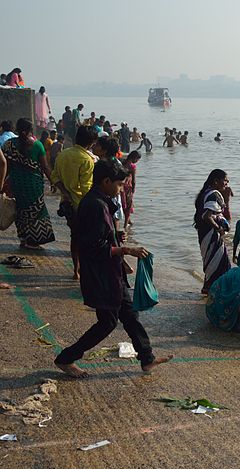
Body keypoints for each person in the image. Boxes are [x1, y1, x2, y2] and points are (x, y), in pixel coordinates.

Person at [53, 160, 172, 377]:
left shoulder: (102, 201)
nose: (121, 189)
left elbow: (102, 236)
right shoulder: (95, 205)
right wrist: (125, 249)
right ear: (106, 181)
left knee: (130, 314)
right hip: (102, 275)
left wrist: (116, 238)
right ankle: (66, 358)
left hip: (112, 274)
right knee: (107, 322)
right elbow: (93, 247)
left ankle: (147, 358)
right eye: (119, 184)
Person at [51, 125, 99, 279]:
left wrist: (65, 193)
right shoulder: (87, 160)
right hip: (83, 205)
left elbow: (54, 177)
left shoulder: (63, 155)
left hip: (67, 205)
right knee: (88, 239)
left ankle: (76, 271)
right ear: (91, 142)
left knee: (75, 236)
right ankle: (86, 270)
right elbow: (86, 188)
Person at [1, 118, 55, 249]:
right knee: (37, 211)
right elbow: (45, 167)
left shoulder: (8, 144)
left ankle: (24, 238)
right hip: (33, 185)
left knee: (20, 210)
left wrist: (3, 182)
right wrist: (53, 182)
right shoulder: (37, 145)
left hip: (17, 184)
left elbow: (4, 165)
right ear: (31, 130)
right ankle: (33, 241)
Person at [194, 169, 232, 294]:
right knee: (220, 264)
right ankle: (215, 292)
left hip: (204, 233)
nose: (227, 183)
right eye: (225, 180)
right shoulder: (213, 194)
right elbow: (207, 216)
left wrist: (226, 200)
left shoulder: (206, 192)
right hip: (210, 234)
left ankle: (207, 288)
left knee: (211, 263)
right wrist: (218, 228)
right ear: (216, 181)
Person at [121, 151, 141, 227]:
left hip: (120, 186)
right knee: (128, 206)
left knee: (123, 204)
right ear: (135, 158)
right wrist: (133, 189)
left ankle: (129, 221)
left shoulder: (122, 162)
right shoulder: (132, 166)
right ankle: (125, 225)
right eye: (137, 159)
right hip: (128, 188)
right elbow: (134, 180)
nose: (137, 161)